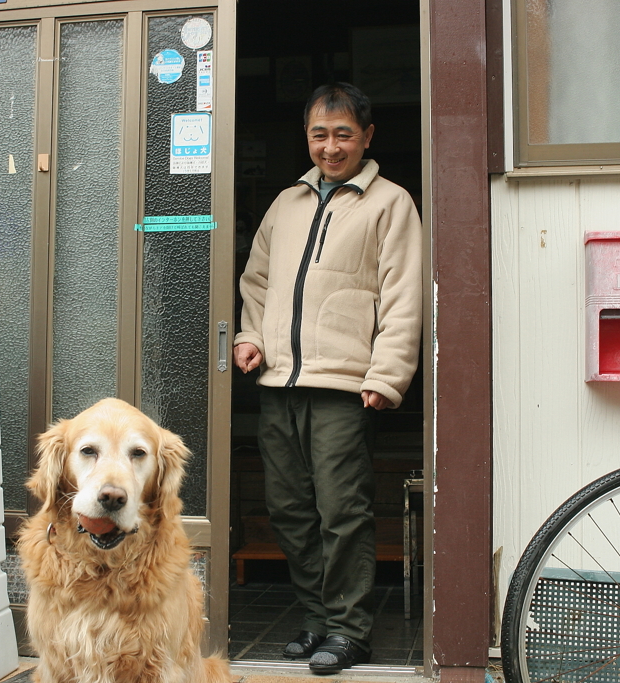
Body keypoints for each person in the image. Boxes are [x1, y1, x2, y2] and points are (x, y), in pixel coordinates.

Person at [233, 82, 422, 674]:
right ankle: (317, 617)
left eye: (344, 134)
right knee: (289, 509)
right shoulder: (286, 203)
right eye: (320, 134)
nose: (331, 146)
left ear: (367, 137)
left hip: (345, 385)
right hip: (279, 381)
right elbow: (257, 281)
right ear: (307, 137)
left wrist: (387, 374)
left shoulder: (390, 203)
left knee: (342, 511)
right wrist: (250, 336)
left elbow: (402, 296)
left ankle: (349, 629)